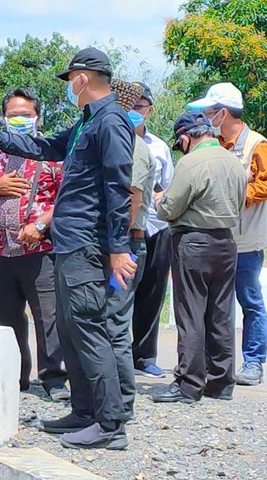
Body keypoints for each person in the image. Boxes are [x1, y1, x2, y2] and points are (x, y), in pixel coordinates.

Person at [0, 47, 136, 450]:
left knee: (90, 329)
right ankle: (84, 411)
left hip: (88, 243)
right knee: (73, 329)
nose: (70, 86)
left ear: (83, 78)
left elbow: (118, 186)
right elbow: (44, 148)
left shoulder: (111, 122)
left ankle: (110, 425)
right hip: (69, 243)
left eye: (70, 78)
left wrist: (118, 248)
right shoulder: (86, 122)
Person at [0, 88, 68, 400]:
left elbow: (66, 200)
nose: (19, 120)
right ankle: (16, 376)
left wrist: (41, 225)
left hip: (39, 250)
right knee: (8, 316)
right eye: (13, 115)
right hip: (3, 250)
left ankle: (54, 378)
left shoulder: (52, 156)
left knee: (47, 316)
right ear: (4, 118)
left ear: (37, 116)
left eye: (25, 115)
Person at [152, 112, 246, 404]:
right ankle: (221, 382)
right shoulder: (234, 161)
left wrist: (159, 200)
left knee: (191, 314)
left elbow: (170, 209)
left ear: (185, 137)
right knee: (221, 314)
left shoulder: (189, 163)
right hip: (226, 243)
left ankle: (188, 384)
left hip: (193, 243)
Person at [189, 83, 267, 387]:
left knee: (250, 301)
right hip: (216, 238)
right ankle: (218, 365)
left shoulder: (258, 145)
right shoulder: (214, 144)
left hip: (245, 241)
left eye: (209, 111)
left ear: (223, 113)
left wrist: (229, 193)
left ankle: (253, 361)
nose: (206, 117)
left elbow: (263, 186)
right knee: (215, 305)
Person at [105, 80, 157, 421]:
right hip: (124, 242)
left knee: (114, 321)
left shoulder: (134, 147)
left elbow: (132, 197)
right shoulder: (123, 141)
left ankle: (122, 401)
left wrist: (117, 246)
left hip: (127, 243)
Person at [131, 82, 174, 378]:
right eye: (131, 105)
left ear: (150, 110)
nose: (136, 111)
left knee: (152, 292)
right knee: (119, 292)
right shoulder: (113, 139)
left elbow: (169, 187)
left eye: (141, 106)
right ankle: (115, 355)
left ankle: (145, 356)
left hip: (156, 228)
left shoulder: (160, 147)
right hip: (123, 227)